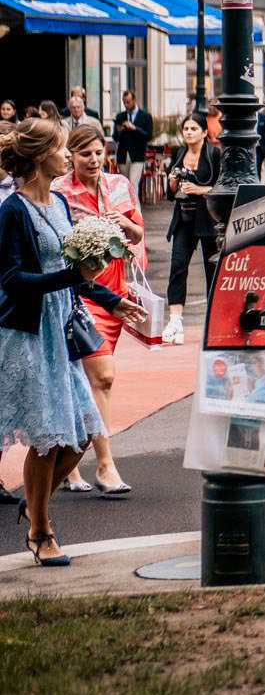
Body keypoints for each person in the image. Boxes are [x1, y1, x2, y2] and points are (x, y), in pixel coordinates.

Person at [0, 119, 146, 566]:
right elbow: (11, 281)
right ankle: (41, 531)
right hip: (28, 334)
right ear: (42, 155)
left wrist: (113, 300)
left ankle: (35, 503)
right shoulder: (13, 211)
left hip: (61, 329)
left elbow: (76, 273)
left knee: (82, 434)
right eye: (62, 148)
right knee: (46, 440)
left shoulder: (60, 204)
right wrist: (71, 277)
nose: (68, 154)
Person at [53, 123, 146, 495]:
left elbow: (138, 236)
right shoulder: (61, 192)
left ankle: (69, 463)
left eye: (98, 153)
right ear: (71, 157)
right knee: (103, 377)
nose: (93, 160)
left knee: (84, 382)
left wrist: (122, 223)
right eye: (84, 154)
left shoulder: (119, 185)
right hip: (81, 296)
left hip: (115, 293)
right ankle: (105, 465)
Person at [161, 114, 222, 346]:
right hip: (184, 217)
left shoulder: (214, 154)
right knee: (178, 265)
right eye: (185, 128)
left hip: (208, 218)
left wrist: (199, 189)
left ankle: (214, 321)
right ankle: (175, 321)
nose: (188, 132)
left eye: (193, 128)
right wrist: (173, 183)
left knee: (211, 268)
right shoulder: (179, 154)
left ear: (204, 133)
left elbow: (222, 189)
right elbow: (171, 195)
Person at [112, 90, 153, 203]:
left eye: (128, 102)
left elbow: (148, 136)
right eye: (124, 102)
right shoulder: (120, 116)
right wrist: (119, 131)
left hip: (137, 156)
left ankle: (136, 212)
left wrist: (134, 128)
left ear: (134, 100)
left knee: (133, 184)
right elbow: (115, 137)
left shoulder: (146, 116)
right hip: (123, 156)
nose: (126, 105)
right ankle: (127, 211)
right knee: (125, 185)